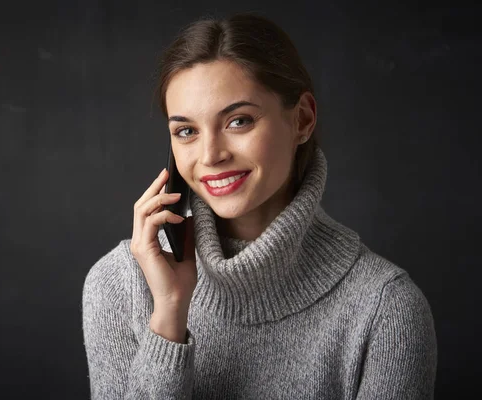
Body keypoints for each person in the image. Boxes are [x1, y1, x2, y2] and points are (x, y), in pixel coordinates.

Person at [81, 12, 437, 399]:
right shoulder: (119, 284)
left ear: (302, 119)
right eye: (186, 131)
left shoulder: (386, 309)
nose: (211, 155)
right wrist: (170, 312)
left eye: (239, 121)